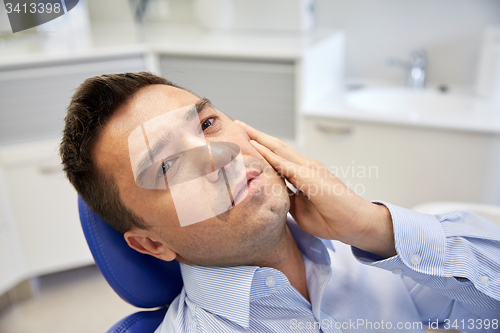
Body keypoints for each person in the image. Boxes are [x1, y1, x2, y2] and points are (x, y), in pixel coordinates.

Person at [60, 72, 500, 332]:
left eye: (209, 123)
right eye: (168, 165)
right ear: (152, 245)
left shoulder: (381, 251)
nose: (220, 156)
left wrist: (374, 228)